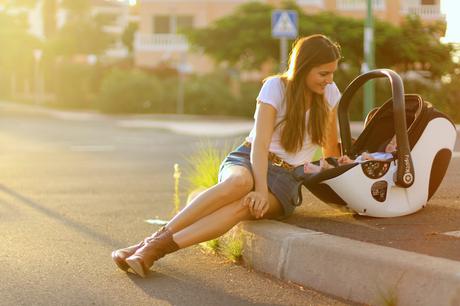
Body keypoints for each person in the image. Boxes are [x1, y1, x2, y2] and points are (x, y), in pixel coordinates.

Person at [111, 34, 342, 278]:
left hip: (286, 181)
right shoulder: (275, 87)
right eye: (323, 73)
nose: (329, 80)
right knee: (239, 183)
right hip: (249, 159)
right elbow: (260, 144)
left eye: (332, 73)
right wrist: (260, 188)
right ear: (303, 67)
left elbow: (330, 152)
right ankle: (149, 245)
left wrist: (347, 163)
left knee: (245, 206)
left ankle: (151, 250)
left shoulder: (330, 94)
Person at [303, 135, 397, 174]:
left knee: (341, 172)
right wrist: (350, 161)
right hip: (358, 167)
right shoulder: (380, 153)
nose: (390, 145)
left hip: (366, 173)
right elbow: (359, 161)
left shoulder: (390, 158)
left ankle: (323, 168)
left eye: (395, 145)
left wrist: (370, 158)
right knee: (341, 168)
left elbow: (384, 165)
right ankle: (319, 169)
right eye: (391, 142)